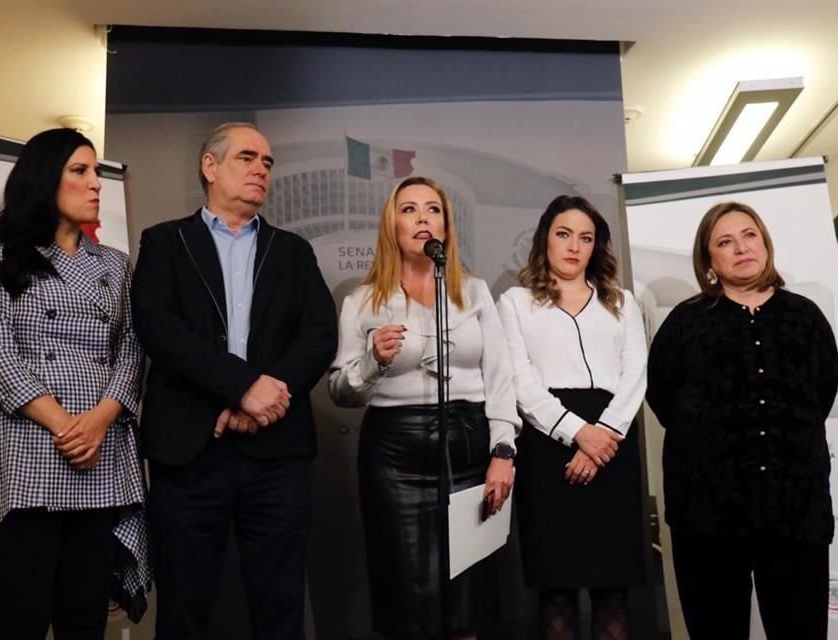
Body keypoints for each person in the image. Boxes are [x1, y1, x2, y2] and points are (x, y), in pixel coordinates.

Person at [131, 122, 337, 639]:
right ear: (210, 166)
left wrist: (264, 397)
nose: (260, 169)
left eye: (267, 162)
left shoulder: (293, 251)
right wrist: (241, 388)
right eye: (247, 158)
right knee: (183, 605)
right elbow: (159, 329)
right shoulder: (164, 242)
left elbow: (319, 335)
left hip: (277, 453)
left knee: (280, 605)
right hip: (190, 449)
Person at [0, 128, 150, 638]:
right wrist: (65, 426)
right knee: (21, 618)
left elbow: (131, 350)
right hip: (26, 448)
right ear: (44, 178)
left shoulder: (115, 265)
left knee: (85, 620)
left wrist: (99, 421)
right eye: (80, 171)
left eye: (97, 171)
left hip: (101, 451)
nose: (95, 183)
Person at [328, 176, 520, 638]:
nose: (422, 219)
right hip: (395, 458)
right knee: (409, 602)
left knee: (467, 600)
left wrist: (503, 451)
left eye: (433, 210)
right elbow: (340, 391)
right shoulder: (362, 301)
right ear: (391, 225)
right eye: (409, 209)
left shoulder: (474, 292)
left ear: (446, 227)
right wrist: (373, 361)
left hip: (469, 449)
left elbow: (500, 377)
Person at [646, 201, 838, 639]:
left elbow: (820, 394)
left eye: (749, 235)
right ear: (708, 261)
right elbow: (663, 399)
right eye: (725, 242)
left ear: (765, 243)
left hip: (796, 511)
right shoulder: (684, 324)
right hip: (707, 516)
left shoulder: (805, 316)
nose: (741, 247)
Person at [497, 195, 647, 640]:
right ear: (545, 238)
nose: (574, 246)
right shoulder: (516, 302)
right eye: (564, 234)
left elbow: (636, 373)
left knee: (613, 587)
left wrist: (604, 435)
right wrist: (578, 432)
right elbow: (520, 381)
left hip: (614, 444)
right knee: (556, 590)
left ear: (596, 246)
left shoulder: (622, 302)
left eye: (585, 237)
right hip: (548, 447)